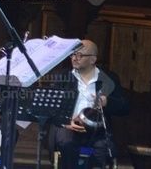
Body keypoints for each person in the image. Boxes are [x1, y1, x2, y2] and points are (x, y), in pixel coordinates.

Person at [52, 39, 129, 169]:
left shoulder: (108, 78)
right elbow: (52, 108)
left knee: (102, 149)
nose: (74, 58)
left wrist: (107, 102)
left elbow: (125, 107)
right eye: (72, 54)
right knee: (66, 142)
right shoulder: (63, 77)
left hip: (97, 129)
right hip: (69, 126)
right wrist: (66, 122)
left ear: (93, 59)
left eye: (79, 55)